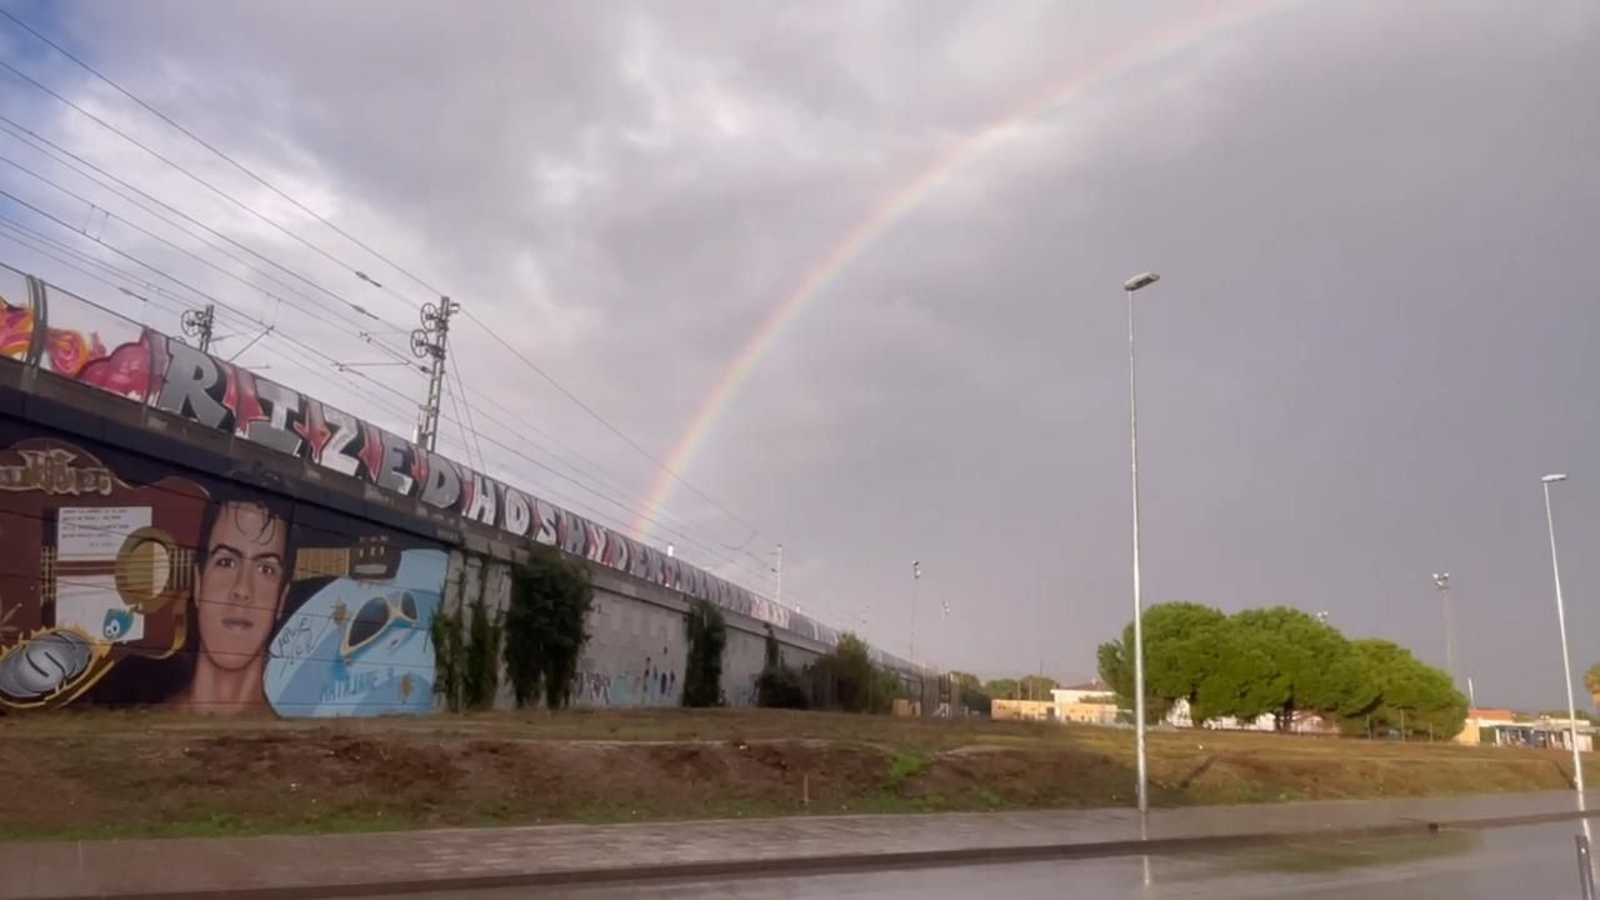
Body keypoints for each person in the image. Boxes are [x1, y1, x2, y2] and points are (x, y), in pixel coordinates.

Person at [167, 489, 293, 714]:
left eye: (266, 569)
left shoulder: (288, 743)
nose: (242, 589)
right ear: (198, 584)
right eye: (226, 562)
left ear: (281, 601)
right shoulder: (148, 731)